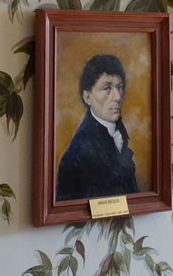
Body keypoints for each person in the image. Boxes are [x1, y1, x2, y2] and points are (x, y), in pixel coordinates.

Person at [55, 54, 140, 201]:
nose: (117, 96)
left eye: (119, 87)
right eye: (107, 88)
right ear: (87, 97)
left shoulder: (120, 134)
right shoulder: (76, 155)